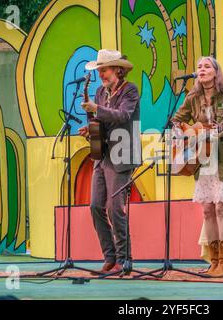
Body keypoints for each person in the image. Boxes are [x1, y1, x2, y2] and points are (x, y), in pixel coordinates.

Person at [171, 56, 223, 277]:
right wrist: (189, 133)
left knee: (221, 209)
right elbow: (176, 121)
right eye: (199, 67)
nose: (202, 69)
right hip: (203, 159)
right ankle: (214, 261)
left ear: (216, 72)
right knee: (207, 210)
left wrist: (216, 135)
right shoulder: (193, 97)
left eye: (207, 66)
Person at [78, 49, 141, 275]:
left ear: (117, 70)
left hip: (122, 153)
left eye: (104, 69)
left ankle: (125, 259)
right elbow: (101, 122)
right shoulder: (99, 92)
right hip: (103, 153)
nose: (101, 74)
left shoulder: (130, 90)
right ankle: (110, 255)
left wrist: (96, 109)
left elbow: (123, 116)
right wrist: (90, 129)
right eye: (100, 70)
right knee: (95, 205)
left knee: (116, 209)